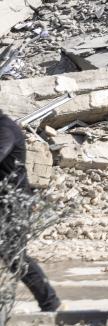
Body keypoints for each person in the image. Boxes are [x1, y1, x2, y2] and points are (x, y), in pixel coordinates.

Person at [0, 116, 61, 313]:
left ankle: (51, 305)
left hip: (14, 204)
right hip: (5, 201)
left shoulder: (5, 130)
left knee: (15, 255)